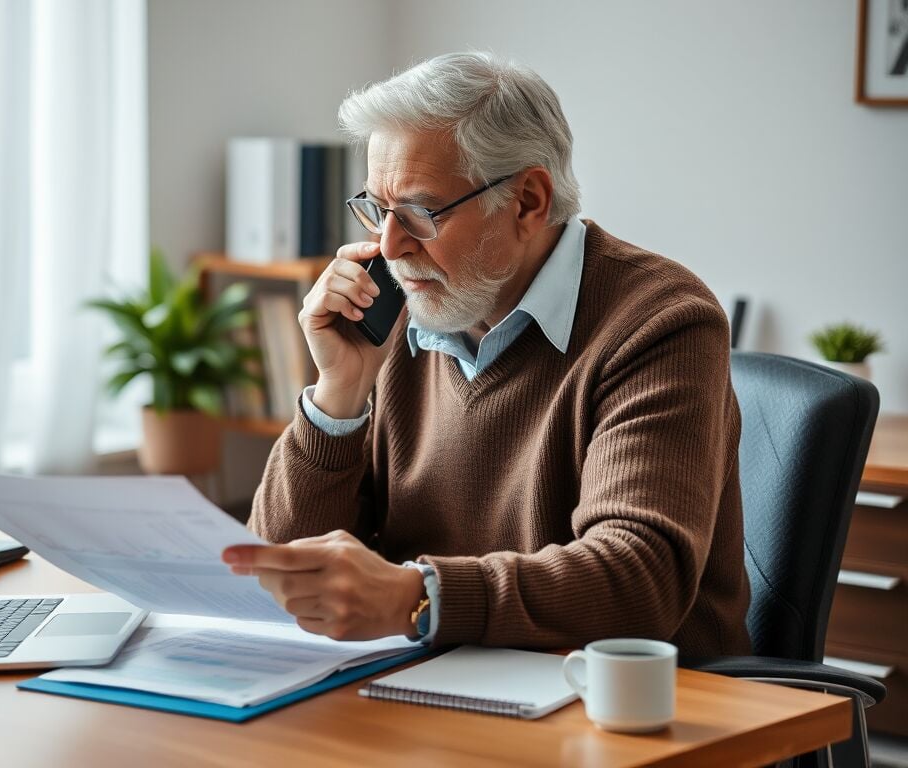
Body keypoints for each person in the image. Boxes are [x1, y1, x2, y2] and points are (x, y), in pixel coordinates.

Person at [221, 52, 751, 656]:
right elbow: (275, 582)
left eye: (420, 212)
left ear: (527, 201)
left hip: (634, 711)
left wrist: (415, 598)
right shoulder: (396, 308)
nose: (390, 246)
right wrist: (337, 397)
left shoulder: (661, 321)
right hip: (439, 691)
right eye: (376, 208)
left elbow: (638, 579)